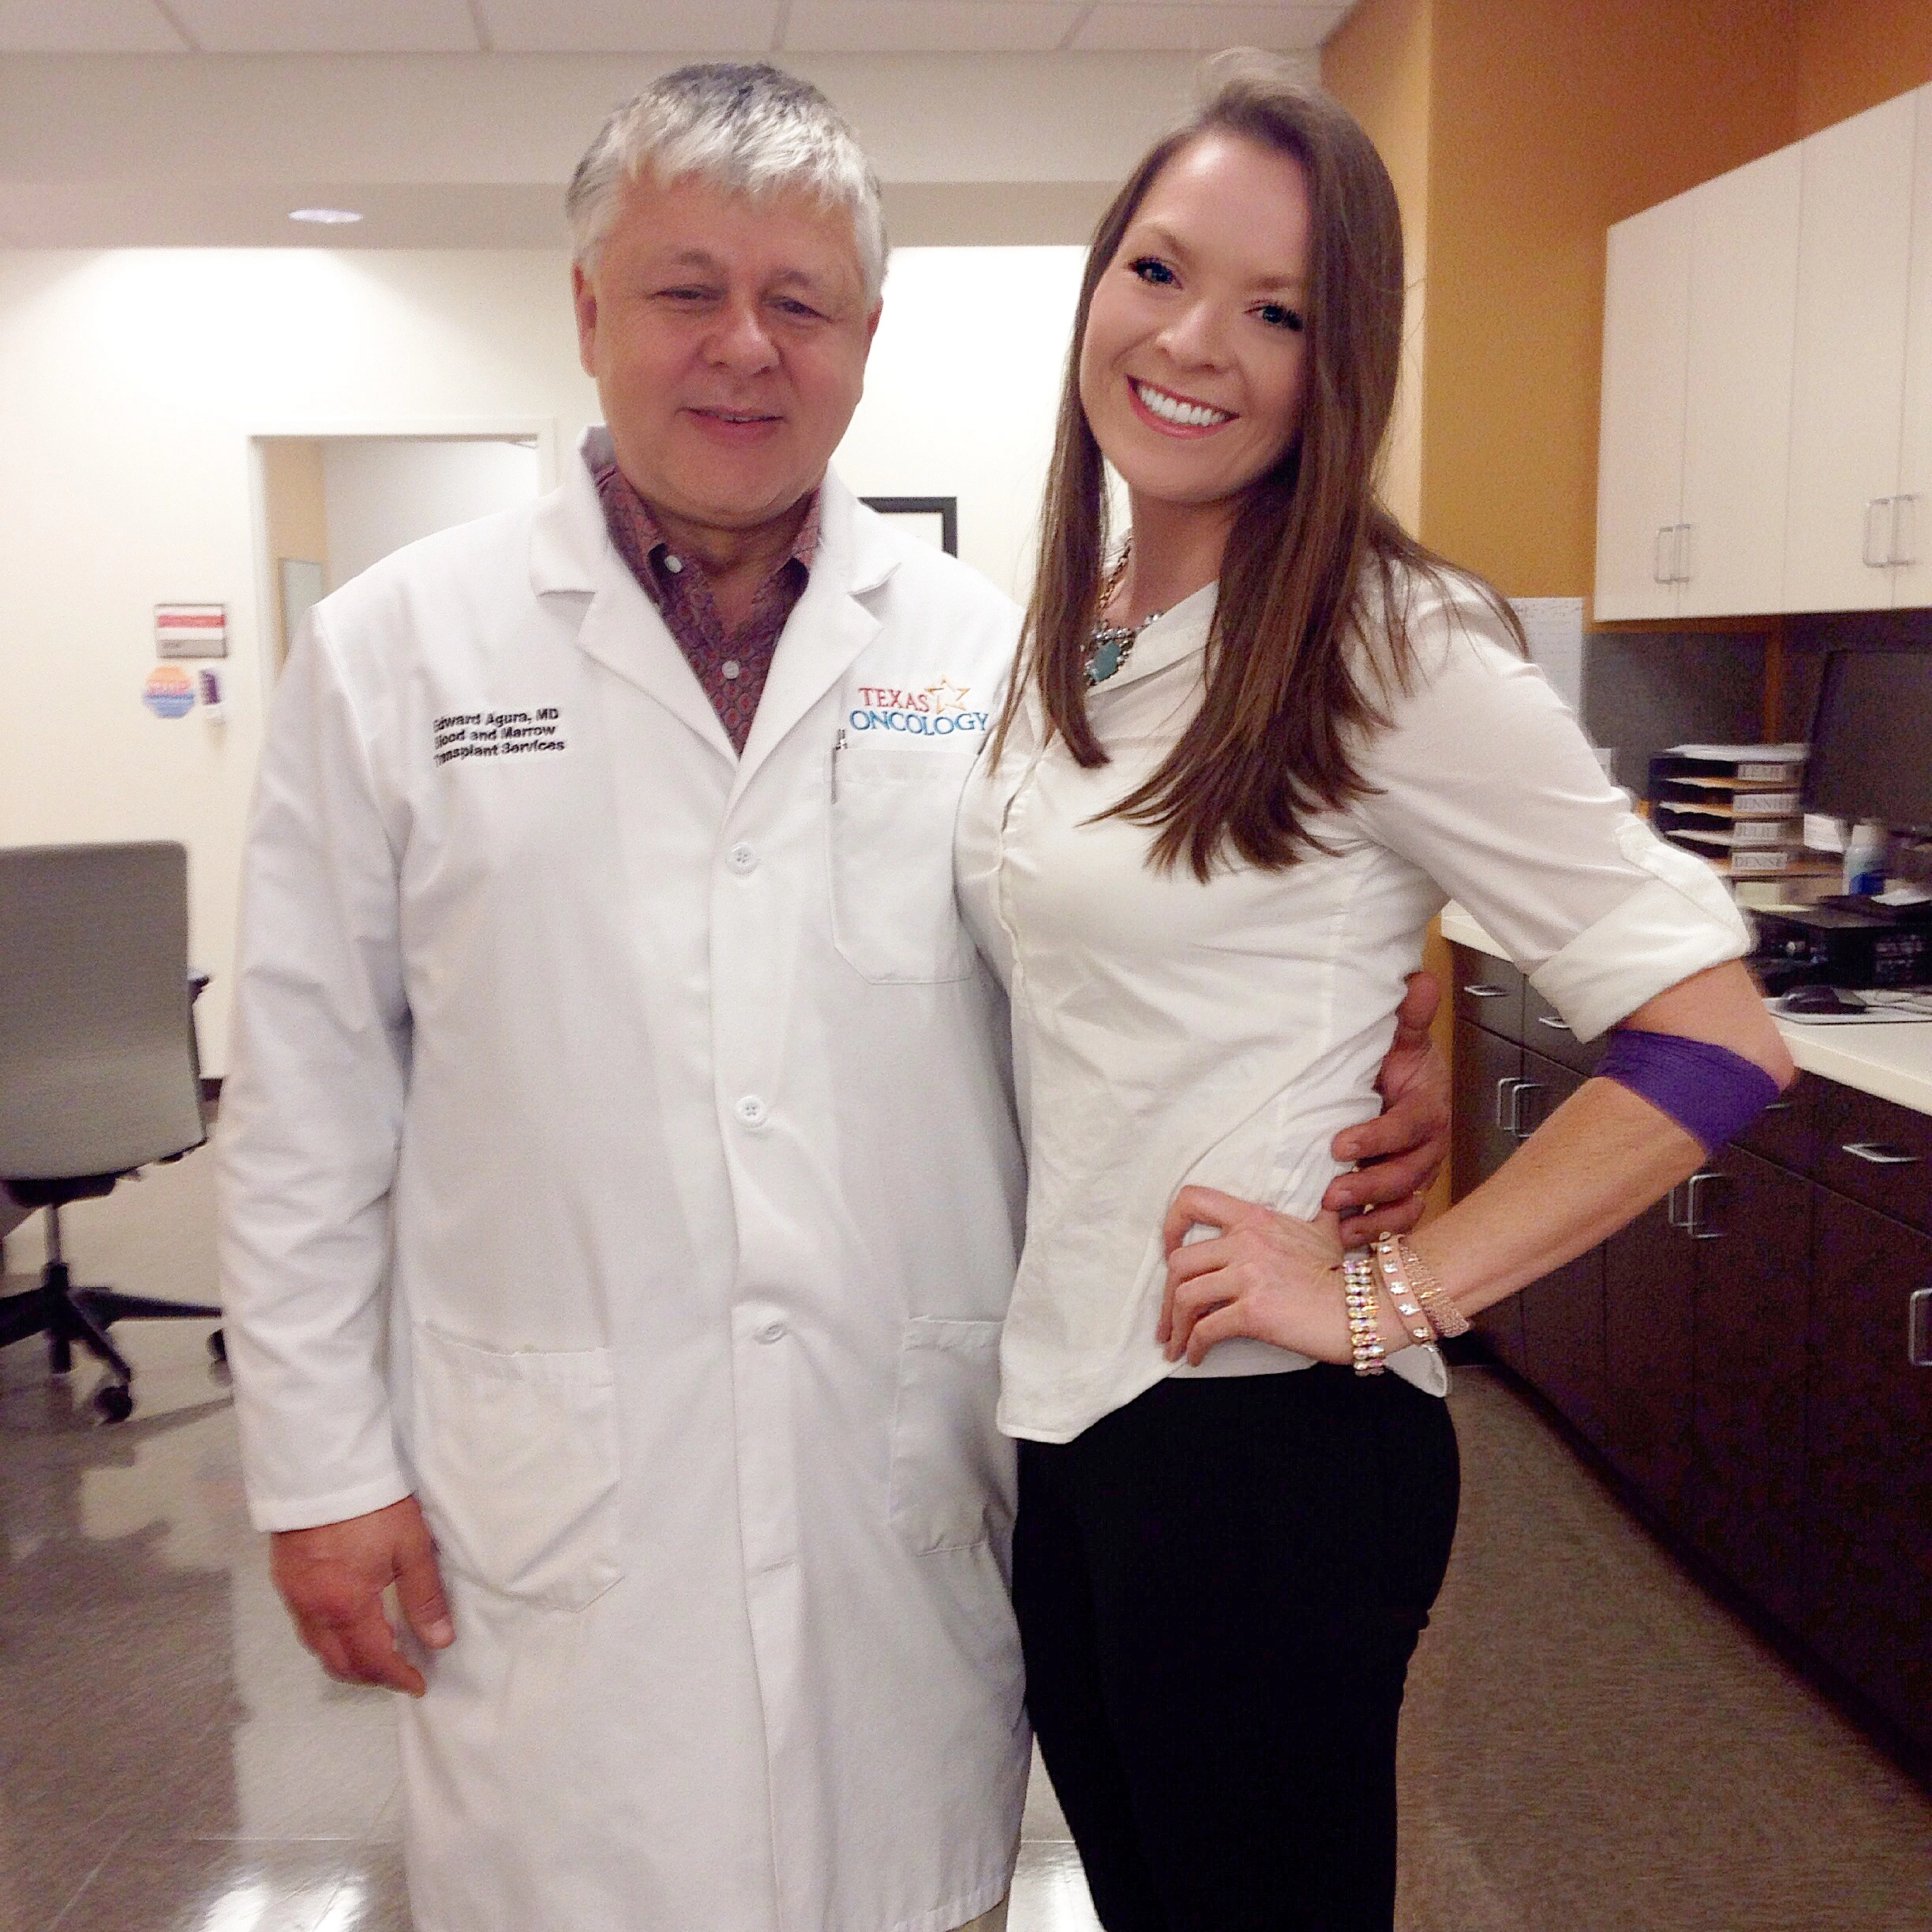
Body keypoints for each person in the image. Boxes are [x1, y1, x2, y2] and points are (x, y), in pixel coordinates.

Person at [215, 62, 1451, 1932]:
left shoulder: (1006, 657)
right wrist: (319, 1470)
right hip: (555, 1515)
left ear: (869, 338)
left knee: (909, 1893)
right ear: (586, 312)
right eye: (684, 288)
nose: (743, 348)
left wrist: (1362, 1081)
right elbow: (307, 1101)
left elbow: (1126, 997)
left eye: (801, 302)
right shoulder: (396, 652)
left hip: (906, 1487)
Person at [955, 55, 1796, 1932]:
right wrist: (1381, 1039)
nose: (1198, 342)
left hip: (1257, 1446)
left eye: (1280, 313)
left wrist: (1391, 1285)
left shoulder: (1386, 642)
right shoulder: (1076, 631)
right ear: (1098, 282)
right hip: (1075, 1413)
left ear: (1338, 372)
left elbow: (1717, 1036)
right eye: (1162, 271)